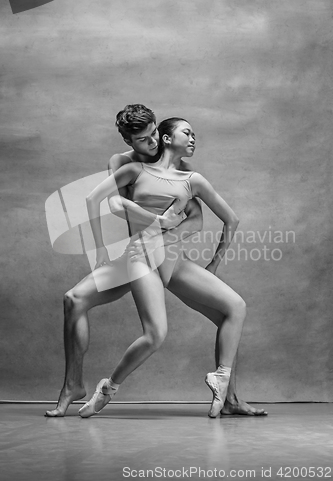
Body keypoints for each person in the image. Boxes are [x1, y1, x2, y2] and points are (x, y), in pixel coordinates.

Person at [45, 105, 266, 418]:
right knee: (75, 300)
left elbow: (195, 220)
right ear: (129, 142)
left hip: (168, 255)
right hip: (135, 255)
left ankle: (228, 396)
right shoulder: (124, 164)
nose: (152, 144)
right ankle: (74, 385)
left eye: (154, 136)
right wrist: (109, 247)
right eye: (143, 141)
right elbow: (113, 203)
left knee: (230, 312)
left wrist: (174, 241)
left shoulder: (184, 171)